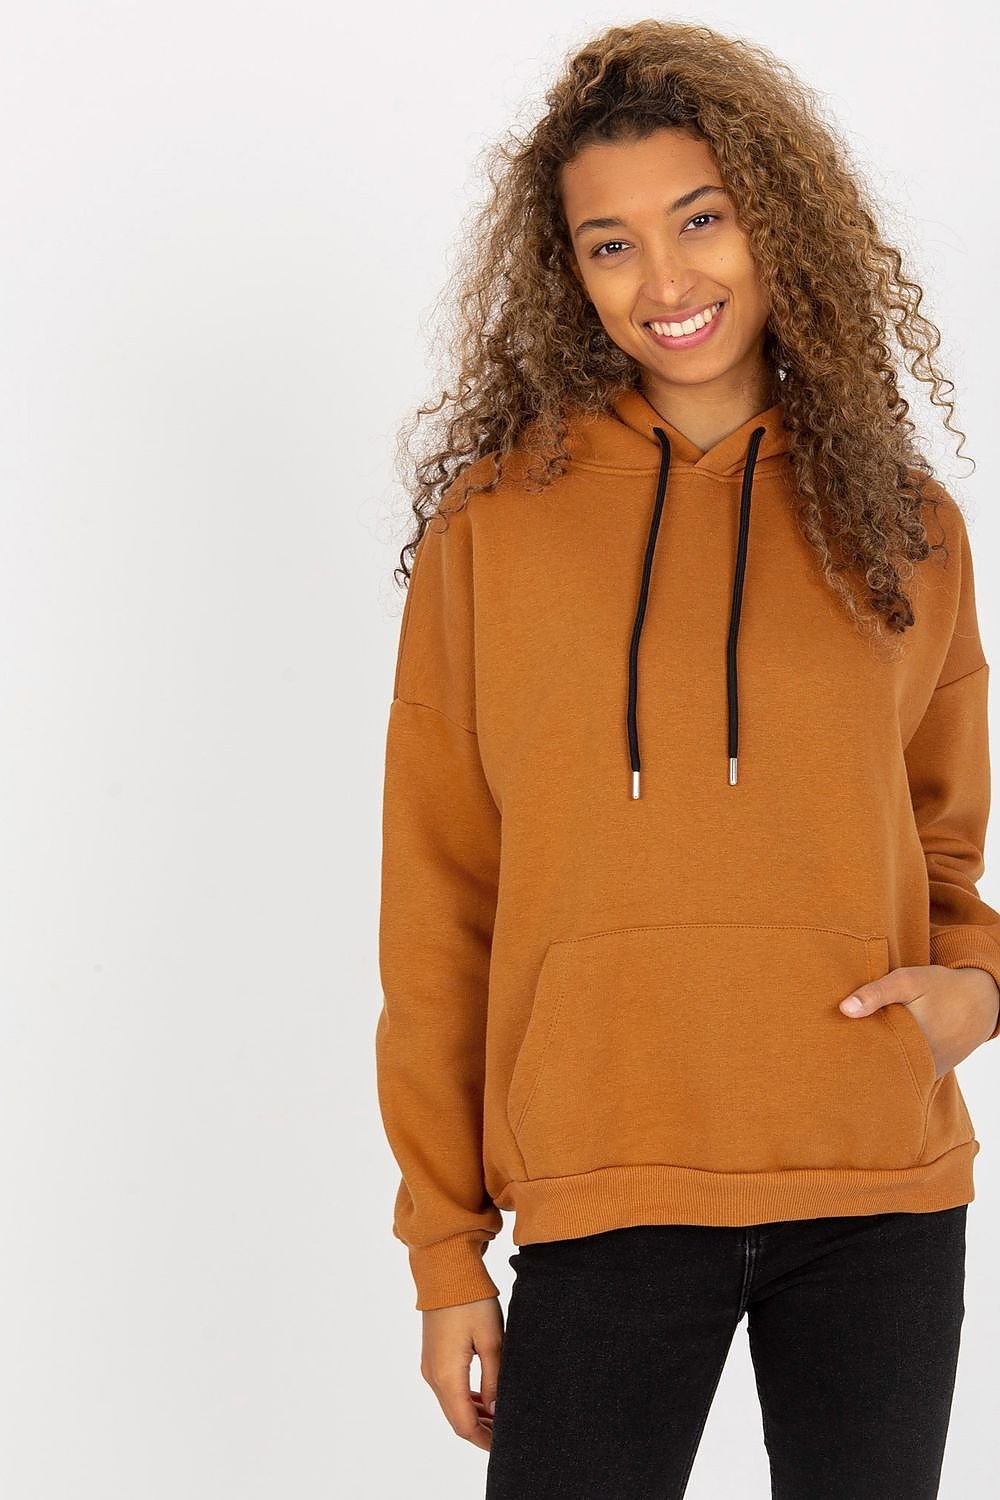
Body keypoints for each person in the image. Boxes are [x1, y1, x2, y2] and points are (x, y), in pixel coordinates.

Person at [374, 19, 1000, 1499]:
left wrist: (977, 987)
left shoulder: (905, 526)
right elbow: (439, 897)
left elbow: (942, 833)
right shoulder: (495, 528)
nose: (665, 282)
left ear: (778, 223)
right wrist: (446, 1251)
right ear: (567, 272)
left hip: (875, 1191)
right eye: (612, 244)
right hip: (603, 1183)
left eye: (702, 220)